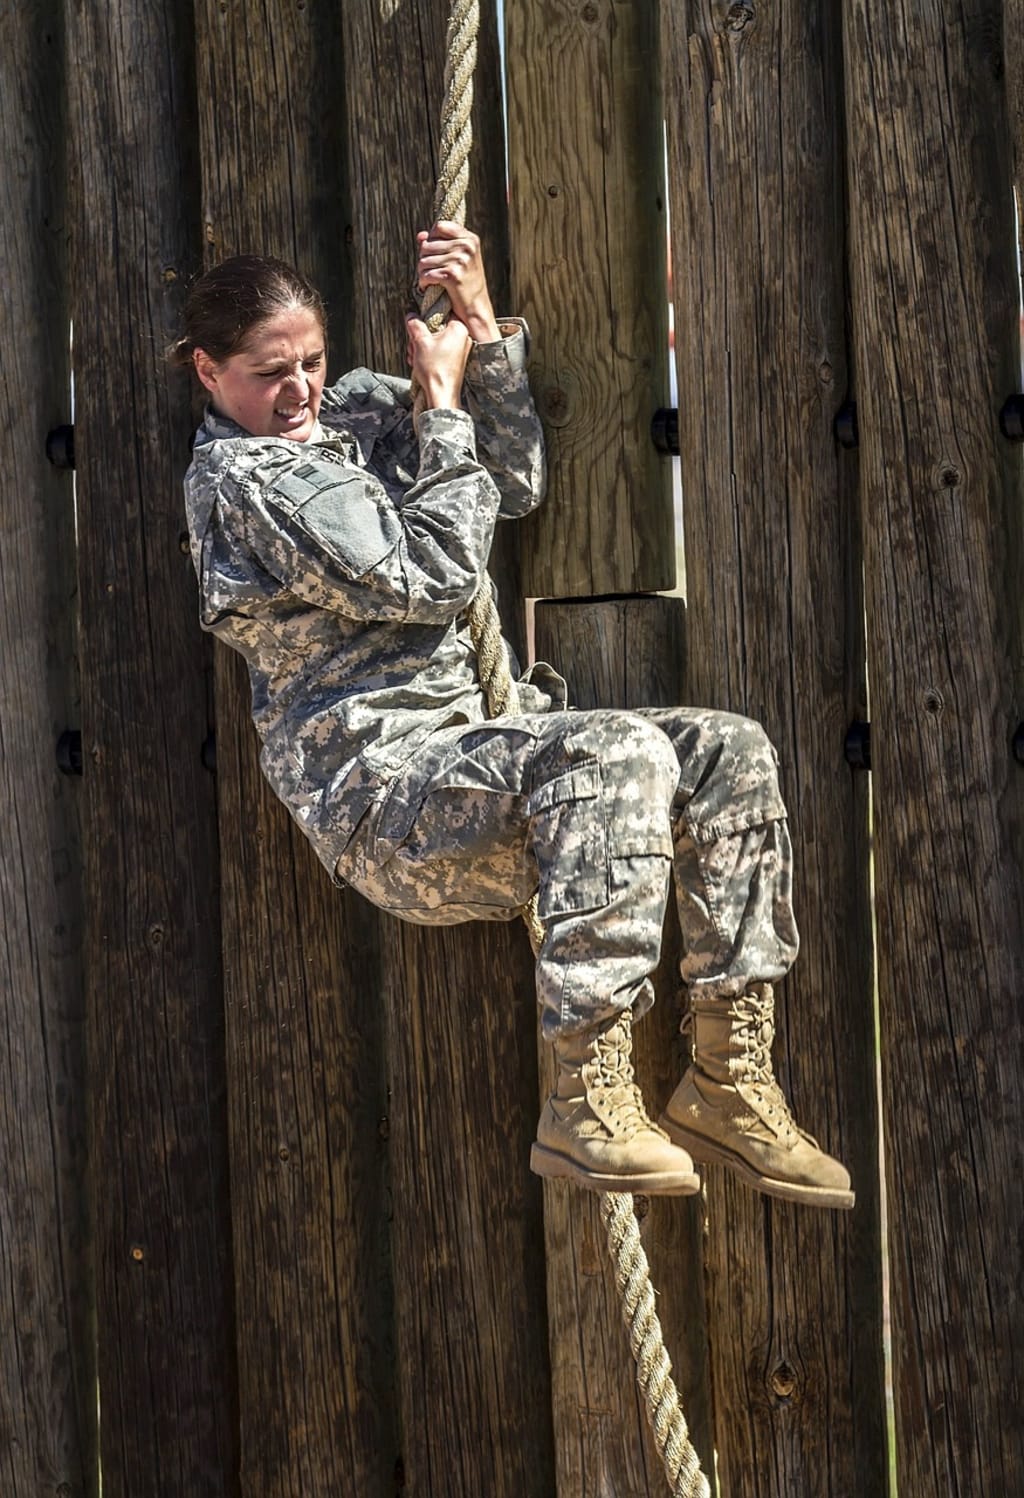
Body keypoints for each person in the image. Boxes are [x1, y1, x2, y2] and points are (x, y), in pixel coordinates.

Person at [173, 221, 853, 1209]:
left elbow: (510, 483)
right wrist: (438, 399)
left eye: (312, 360)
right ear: (207, 372)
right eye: (268, 372)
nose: (300, 390)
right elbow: (436, 575)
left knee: (725, 753)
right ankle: (586, 1102)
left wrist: (482, 335)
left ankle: (729, 1074)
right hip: (395, 804)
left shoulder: (357, 414)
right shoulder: (245, 484)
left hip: (480, 758)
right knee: (615, 753)